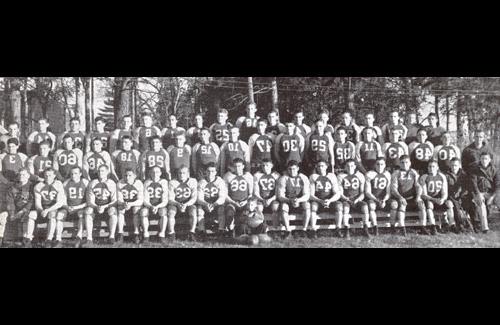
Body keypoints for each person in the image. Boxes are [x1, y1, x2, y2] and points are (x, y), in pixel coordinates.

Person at [390, 155, 425, 236]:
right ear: (399, 163)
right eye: (402, 163)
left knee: (421, 204)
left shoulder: (413, 172)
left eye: (406, 162)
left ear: (410, 163)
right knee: (402, 205)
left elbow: (418, 186)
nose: (404, 164)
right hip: (400, 197)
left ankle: (422, 226)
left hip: (411, 197)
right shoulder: (396, 173)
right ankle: (402, 227)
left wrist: (418, 196)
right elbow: (393, 189)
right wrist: (400, 197)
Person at [276, 160, 311, 238]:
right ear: (287, 169)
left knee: (307, 205)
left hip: (300, 201)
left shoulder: (303, 177)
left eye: (294, 169)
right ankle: (288, 230)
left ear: (298, 168)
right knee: (284, 207)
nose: (292, 171)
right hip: (288, 201)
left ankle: (304, 230)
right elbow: (280, 196)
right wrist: (290, 200)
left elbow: (307, 195)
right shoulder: (283, 178)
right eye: (290, 169)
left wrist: (299, 200)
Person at [85, 165, 118, 245]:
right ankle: (89, 238)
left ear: (107, 172)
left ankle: (111, 236)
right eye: (99, 171)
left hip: (107, 207)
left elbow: (114, 200)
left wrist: (105, 206)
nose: (100, 173)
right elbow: (90, 201)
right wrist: (96, 207)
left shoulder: (111, 183)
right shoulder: (93, 183)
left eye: (102, 171)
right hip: (96, 207)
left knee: (113, 211)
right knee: (88, 211)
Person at [33, 168, 67, 248]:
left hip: (58, 207)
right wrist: (41, 210)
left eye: (50, 175)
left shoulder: (58, 184)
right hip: (45, 208)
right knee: (51, 214)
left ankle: (55, 239)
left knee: (55, 215)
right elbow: (37, 203)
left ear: (54, 176)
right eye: (46, 175)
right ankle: (49, 240)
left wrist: (48, 210)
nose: (48, 177)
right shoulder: (38, 186)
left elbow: (60, 202)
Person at [2, 169, 35, 248]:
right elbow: (10, 201)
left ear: (28, 176)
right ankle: (5, 240)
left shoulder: (32, 186)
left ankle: (27, 240)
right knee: (4, 216)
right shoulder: (13, 187)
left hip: (28, 209)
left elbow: (31, 201)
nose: (21, 177)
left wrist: (24, 210)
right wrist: (12, 213)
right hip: (16, 209)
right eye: (20, 175)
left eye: (23, 175)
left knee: (28, 217)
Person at [468, 152, 499, 233]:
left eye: (486, 159)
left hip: (490, 193)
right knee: (481, 204)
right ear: (480, 159)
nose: (484, 160)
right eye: (482, 158)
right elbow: (473, 184)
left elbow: (497, 185)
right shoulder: (475, 169)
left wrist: (492, 197)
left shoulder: (494, 170)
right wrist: (478, 195)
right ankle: (485, 228)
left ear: (489, 160)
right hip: (479, 192)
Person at [309, 160, 341, 239]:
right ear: (316, 167)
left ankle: (338, 228)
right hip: (318, 201)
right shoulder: (313, 177)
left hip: (330, 200)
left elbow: (337, 193)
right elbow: (310, 195)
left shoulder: (331, 176)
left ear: (326, 167)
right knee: (313, 207)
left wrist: (330, 201)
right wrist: (320, 200)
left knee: (339, 206)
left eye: (322, 166)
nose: (320, 168)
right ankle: (313, 229)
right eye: (319, 166)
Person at [338, 160, 369, 237]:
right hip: (346, 199)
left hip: (357, 199)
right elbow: (340, 193)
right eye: (347, 166)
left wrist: (358, 199)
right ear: (345, 167)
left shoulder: (360, 175)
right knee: (345, 209)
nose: (350, 168)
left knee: (365, 206)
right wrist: (346, 199)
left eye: (352, 166)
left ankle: (365, 228)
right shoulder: (340, 176)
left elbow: (362, 192)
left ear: (355, 166)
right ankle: (346, 229)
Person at [223, 158, 254, 237]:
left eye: (239, 166)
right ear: (232, 167)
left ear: (243, 166)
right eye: (235, 166)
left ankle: (246, 230)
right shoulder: (227, 176)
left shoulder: (248, 176)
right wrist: (233, 202)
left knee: (249, 211)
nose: (237, 168)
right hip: (232, 202)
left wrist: (246, 201)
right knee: (229, 212)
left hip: (245, 202)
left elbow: (251, 194)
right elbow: (225, 194)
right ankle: (229, 231)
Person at [419, 159, 452, 235]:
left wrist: (443, 199)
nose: (431, 168)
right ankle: (432, 226)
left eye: (433, 166)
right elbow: (424, 194)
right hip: (429, 199)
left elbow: (445, 192)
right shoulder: (424, 177)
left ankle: (451, 225)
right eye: (430, 167)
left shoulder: (442, 176)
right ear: (427, 168)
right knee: (429, 205)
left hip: (439, 199)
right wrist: (434, 200)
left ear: (437, 167)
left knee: (449, 204)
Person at [167, 166, 198, 241]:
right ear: (177, 174)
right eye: (180, 173)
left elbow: (194, 197)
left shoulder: (193, 181)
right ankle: (171, 233)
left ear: (188, 174)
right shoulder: (173, 182)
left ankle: (192, 233)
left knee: (193, 212)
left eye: (184, 173)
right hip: (176, 203)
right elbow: (170, 198)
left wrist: (186, 204)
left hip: (188, 203)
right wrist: (177, 204)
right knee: (171, 212)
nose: (181, 175)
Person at [197, 163, 228, 237]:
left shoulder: (220, 181)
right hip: (205, 204)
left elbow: (222, 197)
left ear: (216, 172)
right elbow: (199, 198)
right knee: (199, 210)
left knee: (221, 209)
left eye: (212, 171)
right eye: (208, 171)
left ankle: (221, 230)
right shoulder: (201, 182)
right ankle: (201, 231)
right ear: (205, 172)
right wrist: (206, 204)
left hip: (216, 204)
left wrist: (214, 204)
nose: (210, 173)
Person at [364, 157, 392, 236]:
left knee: (394, 205)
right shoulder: (370, 174)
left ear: (385, 165)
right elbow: (368, 192)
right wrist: (377, 200)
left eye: (382, 164)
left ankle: (393, 227)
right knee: (372, 206)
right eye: (378, 164)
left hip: (383, 199)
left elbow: (388, 191)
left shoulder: (387, 174)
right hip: (373, 198)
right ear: (374, 165)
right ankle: (375, 226)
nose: (380, 166)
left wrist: (384, 200)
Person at [141, 166, 169, 243]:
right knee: (143, 212)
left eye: (157, 172)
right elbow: (145, 199)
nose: (155, 174)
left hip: (160, 205)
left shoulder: (164, 182)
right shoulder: (147, 182)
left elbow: (165, 199)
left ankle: (162, 234)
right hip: (149, 205)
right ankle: (145, 234)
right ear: (150, 173)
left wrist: (157, 206)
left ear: (160, 173)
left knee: (163, 213)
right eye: (153, 172)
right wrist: (151, 206)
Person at [62, 167, 89, 248]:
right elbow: (63, 199)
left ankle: (79, 236)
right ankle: (57, 238)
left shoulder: (85, 182)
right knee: (60, 215)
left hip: (81, 207)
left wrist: (78, 207)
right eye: (72, 174)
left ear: (80, 174)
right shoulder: (66, 183)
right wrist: (67, 207)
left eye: (76, 173)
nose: (73, 175)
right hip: (69, 207)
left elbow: (89, 200)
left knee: (81, 214)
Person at [445, 158, 474, 233]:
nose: (454, 167)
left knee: (469, 203)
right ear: (450, 165)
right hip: (450, 197)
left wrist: (461, 194)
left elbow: (467, 188)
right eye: (452, 165)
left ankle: (470, 223)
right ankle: (454, 225)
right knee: (452, 204)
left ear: (459, 165)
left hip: (462, 197)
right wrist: (451, 195)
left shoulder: (464, 175)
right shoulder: (446, 175)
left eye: (456, 165)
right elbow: (444, 189)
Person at [116, 168, 144, 244]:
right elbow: (119, 199)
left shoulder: (139, 183)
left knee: (136, 209)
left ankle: (136, 233)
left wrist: (131, 204)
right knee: (120, 210)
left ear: (135, 176)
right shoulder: (120, 183)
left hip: (134, 204)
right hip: (124, 204)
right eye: (126, 175)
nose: (127, 177)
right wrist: (124, 204)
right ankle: (120, 233)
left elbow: (140, 200)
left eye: (130, 175)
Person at [253, 159, 281, 228]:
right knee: (259, 208)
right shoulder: (257, 175)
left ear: (272, 166)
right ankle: (260, 228)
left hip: (272, 198)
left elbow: (278, 192)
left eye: (267, 165)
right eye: (263, 165)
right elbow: (256, 192)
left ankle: (275, 228)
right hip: (261, 198)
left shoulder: (276, 175)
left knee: (275, 207)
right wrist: (262, 199)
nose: (265, 167)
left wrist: (270, 199)